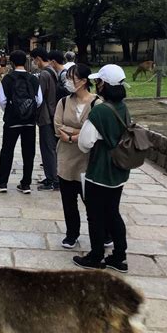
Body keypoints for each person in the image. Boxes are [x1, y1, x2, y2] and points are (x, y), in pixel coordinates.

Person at [73, 64, 131, 273]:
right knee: (113, 212)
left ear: (103, 84)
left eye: (99, 81)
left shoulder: (100, 111)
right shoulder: (124, 108)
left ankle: (96, 256)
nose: (97, 84)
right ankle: (119, 256)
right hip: (119, 170)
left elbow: (85, 142)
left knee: (95, 214)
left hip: (100, 171)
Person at [53, 63, 102, 247]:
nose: (67, 81)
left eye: (71, 78)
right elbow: (58, 127)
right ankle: (71, 233)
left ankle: (101, 234)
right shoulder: (64, 102)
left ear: (82, 81)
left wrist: (72, 135)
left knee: (91, 202)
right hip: (66, 158)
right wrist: (81, 132)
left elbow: (95, 132)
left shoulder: (97, 103)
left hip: (88, 159)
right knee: (68, 200)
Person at [0, 50, 42, 194]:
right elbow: (39, 100)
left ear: (12, 62)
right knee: (28, 152)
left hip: (12, 121)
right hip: (29, 122)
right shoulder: (34, 79)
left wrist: (11, 110)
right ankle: (25, 184)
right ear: (25, 61)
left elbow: (2, 100)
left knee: (7, 151)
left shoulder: (8, 79)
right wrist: (27, 110)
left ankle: (2, 182)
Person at [30, 48, 59, 191]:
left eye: (34, 60)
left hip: (46, 116)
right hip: (54, 113)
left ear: (38, 59)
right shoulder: (53, 71)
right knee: (51, 147)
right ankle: (53, 176)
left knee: (47, 148)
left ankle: (52, 179)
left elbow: (39, 98)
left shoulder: (44, 74)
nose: (34, 63)